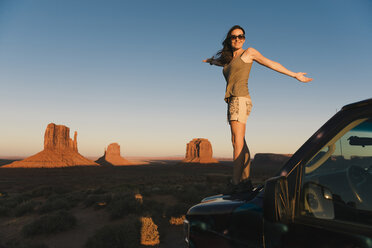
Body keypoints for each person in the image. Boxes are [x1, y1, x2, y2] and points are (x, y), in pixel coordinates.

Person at [203, 25, 312, 187]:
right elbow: (223, 64)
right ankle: (245, 181)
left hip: (240, 99)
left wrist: (294, 75)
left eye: (241, 36)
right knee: (241, 142)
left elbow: (272, 64)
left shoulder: (249, 53)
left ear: (244, 38)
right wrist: (211, 61)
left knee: (236, 141)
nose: (238, 39)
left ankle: (236, 182)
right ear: (229, 40)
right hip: (233, 100)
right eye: (234, 37)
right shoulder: (229, 58)